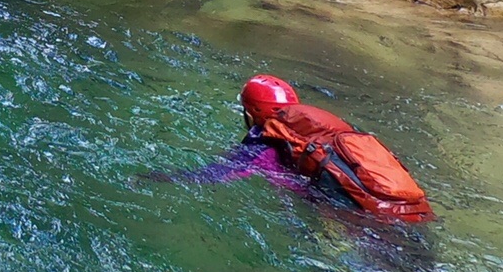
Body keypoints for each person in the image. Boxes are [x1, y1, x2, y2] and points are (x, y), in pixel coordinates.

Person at [167, 75, 434, 221]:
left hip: (355, 216)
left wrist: (162, 178)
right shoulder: (326, 130)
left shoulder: (264, 146)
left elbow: (218, 176)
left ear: (252, 112)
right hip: (410, 207)